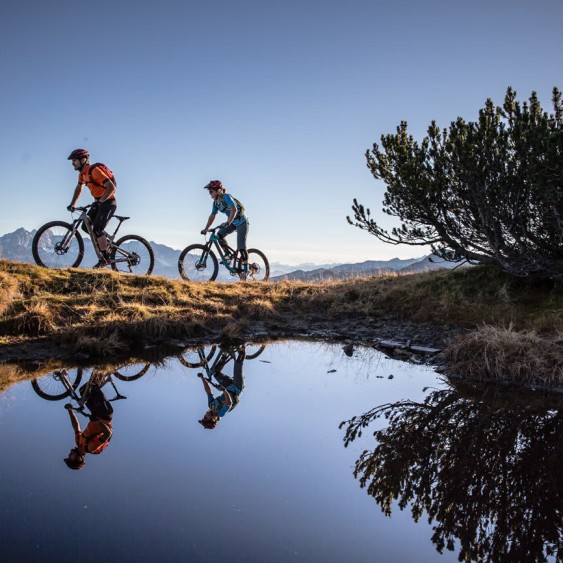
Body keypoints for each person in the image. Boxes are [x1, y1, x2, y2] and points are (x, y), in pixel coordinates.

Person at [66, 148, 117, 268]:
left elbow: (111, 188)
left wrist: (101, 201)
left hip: (109, 202)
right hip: (99, 203)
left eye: (74, 160)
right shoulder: (82, 175)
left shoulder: (95, 171)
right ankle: (104, 242)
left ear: (83, 160)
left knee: (97, 229)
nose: (72, 163)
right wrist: (72, 203)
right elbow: (79, 189)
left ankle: (105, 258)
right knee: (86, 226)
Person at [201, 180, 249, 277]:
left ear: (218, 191)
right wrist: (206, 228)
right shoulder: (216, 203)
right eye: (209, 192)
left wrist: (227, 222)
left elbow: (234, 209)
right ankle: (228, 255)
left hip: (242, 222)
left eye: (211, 191)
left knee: (241, 247)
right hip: (232, 223)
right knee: (219, 235)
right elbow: (212, 216)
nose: (210, 193)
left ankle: (246, 269)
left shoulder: (226, 197)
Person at [63, 378, 114, 470]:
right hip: (105, 415)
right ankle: (107, 370)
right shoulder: (91, 448)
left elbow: (76, 427)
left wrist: (70, 411)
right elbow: (108, 434)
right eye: (71, 457)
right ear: (79, 459)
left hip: (96, 413)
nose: (69, 454)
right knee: (93, 389)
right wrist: (98, 421)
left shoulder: (78, 442)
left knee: (83, 391)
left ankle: (100, 370)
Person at [198, 346, 246, 429]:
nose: (205, 415)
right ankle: (243, 349)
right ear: (212, 419)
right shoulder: (220, 413)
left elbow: (208, 391)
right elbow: (229, 403)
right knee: (237, 366)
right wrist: (224, 390)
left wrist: (202, 378)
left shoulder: (211, 405)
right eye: (205, 417)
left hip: (228, 386)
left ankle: (225, 354)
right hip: (237, 387)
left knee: (215, 373)